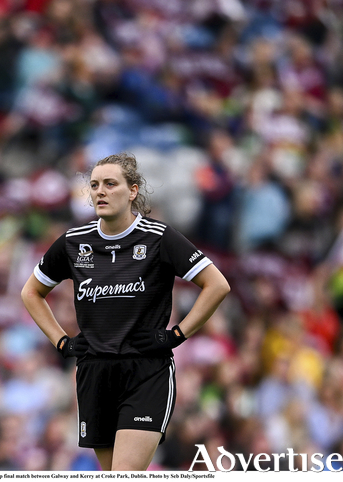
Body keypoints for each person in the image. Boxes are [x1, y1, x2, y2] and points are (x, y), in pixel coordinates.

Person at [21, 153, 230, 471]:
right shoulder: (74, 242)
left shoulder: (159, 238)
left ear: (133, 190)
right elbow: (31, 292)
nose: (100, 191)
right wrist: (61, 342)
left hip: (146, 373)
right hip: (95, 375)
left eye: (110, 183)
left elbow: (217, 285)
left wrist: (177, 334)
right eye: (94, 185)